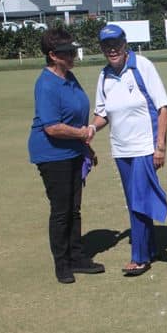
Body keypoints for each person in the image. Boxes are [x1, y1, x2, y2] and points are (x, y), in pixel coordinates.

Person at [89, 24, 167, 276]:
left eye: (116, 44)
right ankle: (152, 247)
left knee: (138, 201)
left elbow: (163, 107)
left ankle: (140, 257)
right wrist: (90, 129)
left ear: (125, 44)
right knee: (136, 201)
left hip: (144, 148)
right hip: (121, 150)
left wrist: (160, 146)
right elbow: (102, 113)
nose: (112, 49)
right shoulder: (104, 76)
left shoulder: (142, 66)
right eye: (106, 45)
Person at [28, 28, 105, 284]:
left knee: (74, 209)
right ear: (53, 55)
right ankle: (62, 264)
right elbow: (52, 127)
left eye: (73, 51)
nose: (73, 55)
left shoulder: (70, 77)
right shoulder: (46, 84)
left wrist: (85, 146)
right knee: (61, 210)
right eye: (67, 53)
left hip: (73, 150)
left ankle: (78, 257)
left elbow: (76, 115)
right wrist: (83, 134)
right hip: (52, 154)